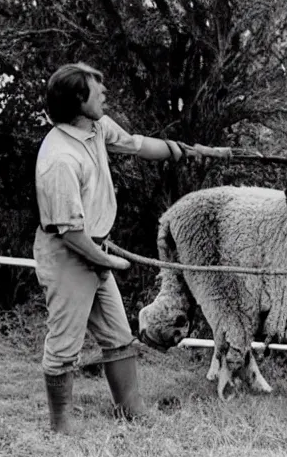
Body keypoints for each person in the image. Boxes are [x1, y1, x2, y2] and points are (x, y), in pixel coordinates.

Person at [35, 63, 230, 430]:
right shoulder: (58, 159)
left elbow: (137, 144)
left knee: (118, 335)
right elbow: (70, 235)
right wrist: (108, 261)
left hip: (94, 249)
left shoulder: (95, 128)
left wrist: (187, 151)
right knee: (63, 345)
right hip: (69, 255)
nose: (105, 93)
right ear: (79, 99)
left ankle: (131, 410)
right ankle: (60, 427)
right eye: (97, 88)